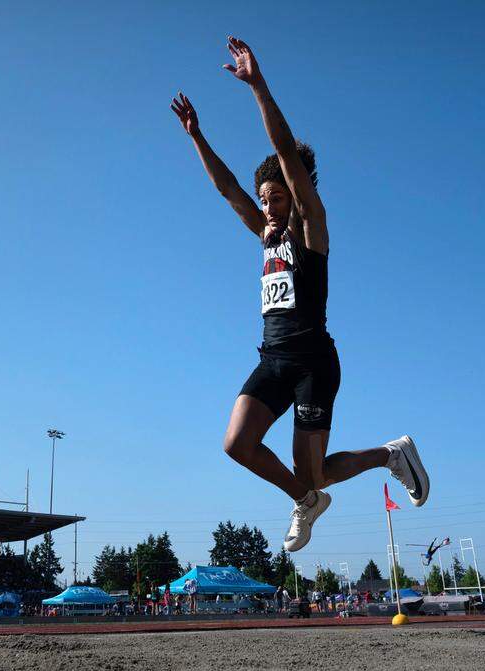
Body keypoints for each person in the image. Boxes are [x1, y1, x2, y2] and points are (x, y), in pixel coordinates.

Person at [170, 36, 430, 554]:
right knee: (239, 445)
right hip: (273, 359)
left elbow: (287, 155)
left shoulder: (312, 229)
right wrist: (197, 136)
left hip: (314, 361)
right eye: (264, 198)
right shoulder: (263, 233)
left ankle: (388, 455)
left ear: (299, 193)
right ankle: (306, 501)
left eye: (277, 196)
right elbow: (227, 191)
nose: (267, 205)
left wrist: (257, 86)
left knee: (314, 472)